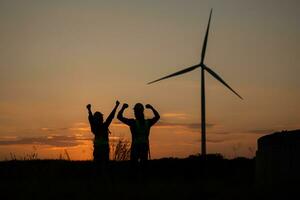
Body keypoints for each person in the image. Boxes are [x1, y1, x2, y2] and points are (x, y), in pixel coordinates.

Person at [117, 103, 160, 168]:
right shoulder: (147, 122)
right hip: (144, 147)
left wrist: (123, 108)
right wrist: (151, 108)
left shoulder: (133, 122)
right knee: (143, 166)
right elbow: (157, 117)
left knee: (134, 167)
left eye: (135, 111)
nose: (134, 113)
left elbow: (119, 117)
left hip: (136, 147)